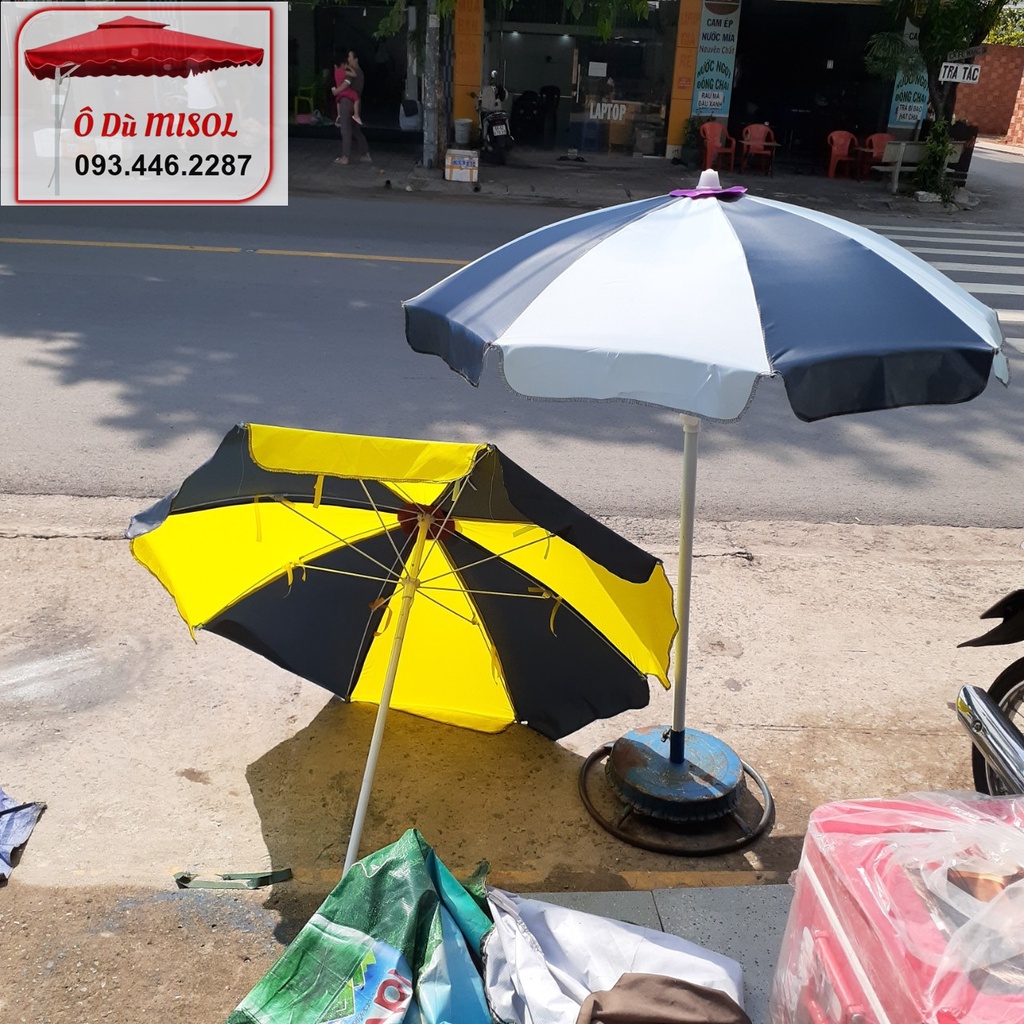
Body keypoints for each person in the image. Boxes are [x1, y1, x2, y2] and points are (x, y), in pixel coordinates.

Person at [334, 51, 370, 166]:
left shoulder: (351, 72)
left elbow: (345, 84)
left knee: (345, 129)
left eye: (349, 57)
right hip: (356, 102)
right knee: (355, 129)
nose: (347, 59)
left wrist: (336, 91)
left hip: (347, 101)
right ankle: (365, 153)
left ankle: (345, 157)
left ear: (356, 59)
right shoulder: (360, 72)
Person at [332, 56, 362, 127]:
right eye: (345, 64)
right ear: (342, 65)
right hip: (345, 91)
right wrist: (349, 68)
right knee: (356, 99)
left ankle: (339, 115)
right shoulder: (344, 72)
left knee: (338, 101)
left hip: (339, 92)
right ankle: (356, 115)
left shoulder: (336, 72)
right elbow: (354, 75)